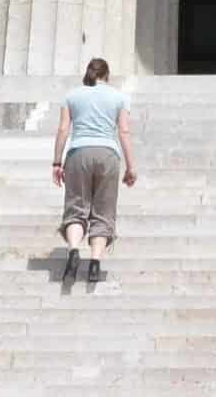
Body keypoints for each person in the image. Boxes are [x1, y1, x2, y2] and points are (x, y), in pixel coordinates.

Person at [51, 56, 137, 287]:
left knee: (76, 209)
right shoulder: (119, 97)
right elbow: (124, 133)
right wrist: (131, 167)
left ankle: (73, 251)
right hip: (108, 154)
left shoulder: (72, 96)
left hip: (78, 152)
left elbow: (62, 130)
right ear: (107, 76)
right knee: (103, 212)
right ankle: (95, 263)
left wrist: (56, 163)